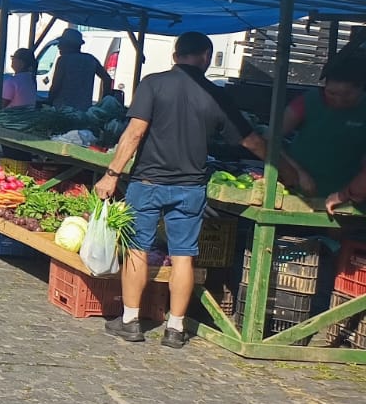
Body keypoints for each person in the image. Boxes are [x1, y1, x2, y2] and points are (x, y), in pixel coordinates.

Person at [96, 32, 295, 349]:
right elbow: (250, 141)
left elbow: (134, 132)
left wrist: (111, 174)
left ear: (175, 55)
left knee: (137, 251)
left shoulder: (153, 83)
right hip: (190, 188)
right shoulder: (215, 95)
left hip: (147, 183)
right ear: (205, 56)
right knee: (184, 256)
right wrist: (286, 170)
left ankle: (131, 321)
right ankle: (175, 328)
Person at [277, 54, 366, 215]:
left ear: (361, 88)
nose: (338, 100)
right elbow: (269, 140)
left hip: (347, 198)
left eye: (346, 96)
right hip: (297, 192)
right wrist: (297, 172)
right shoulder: (307, 102)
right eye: (331, 93)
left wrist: (346, 193)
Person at [48, 27, 113, 109]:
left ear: (69, 45)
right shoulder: (91, 59)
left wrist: (49, 102)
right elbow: (107, 79)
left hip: (63, 110)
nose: (59, 46)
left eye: (61, 43)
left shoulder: (64, 60)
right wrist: (104, 102)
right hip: (84, 111)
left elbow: (56, 86)